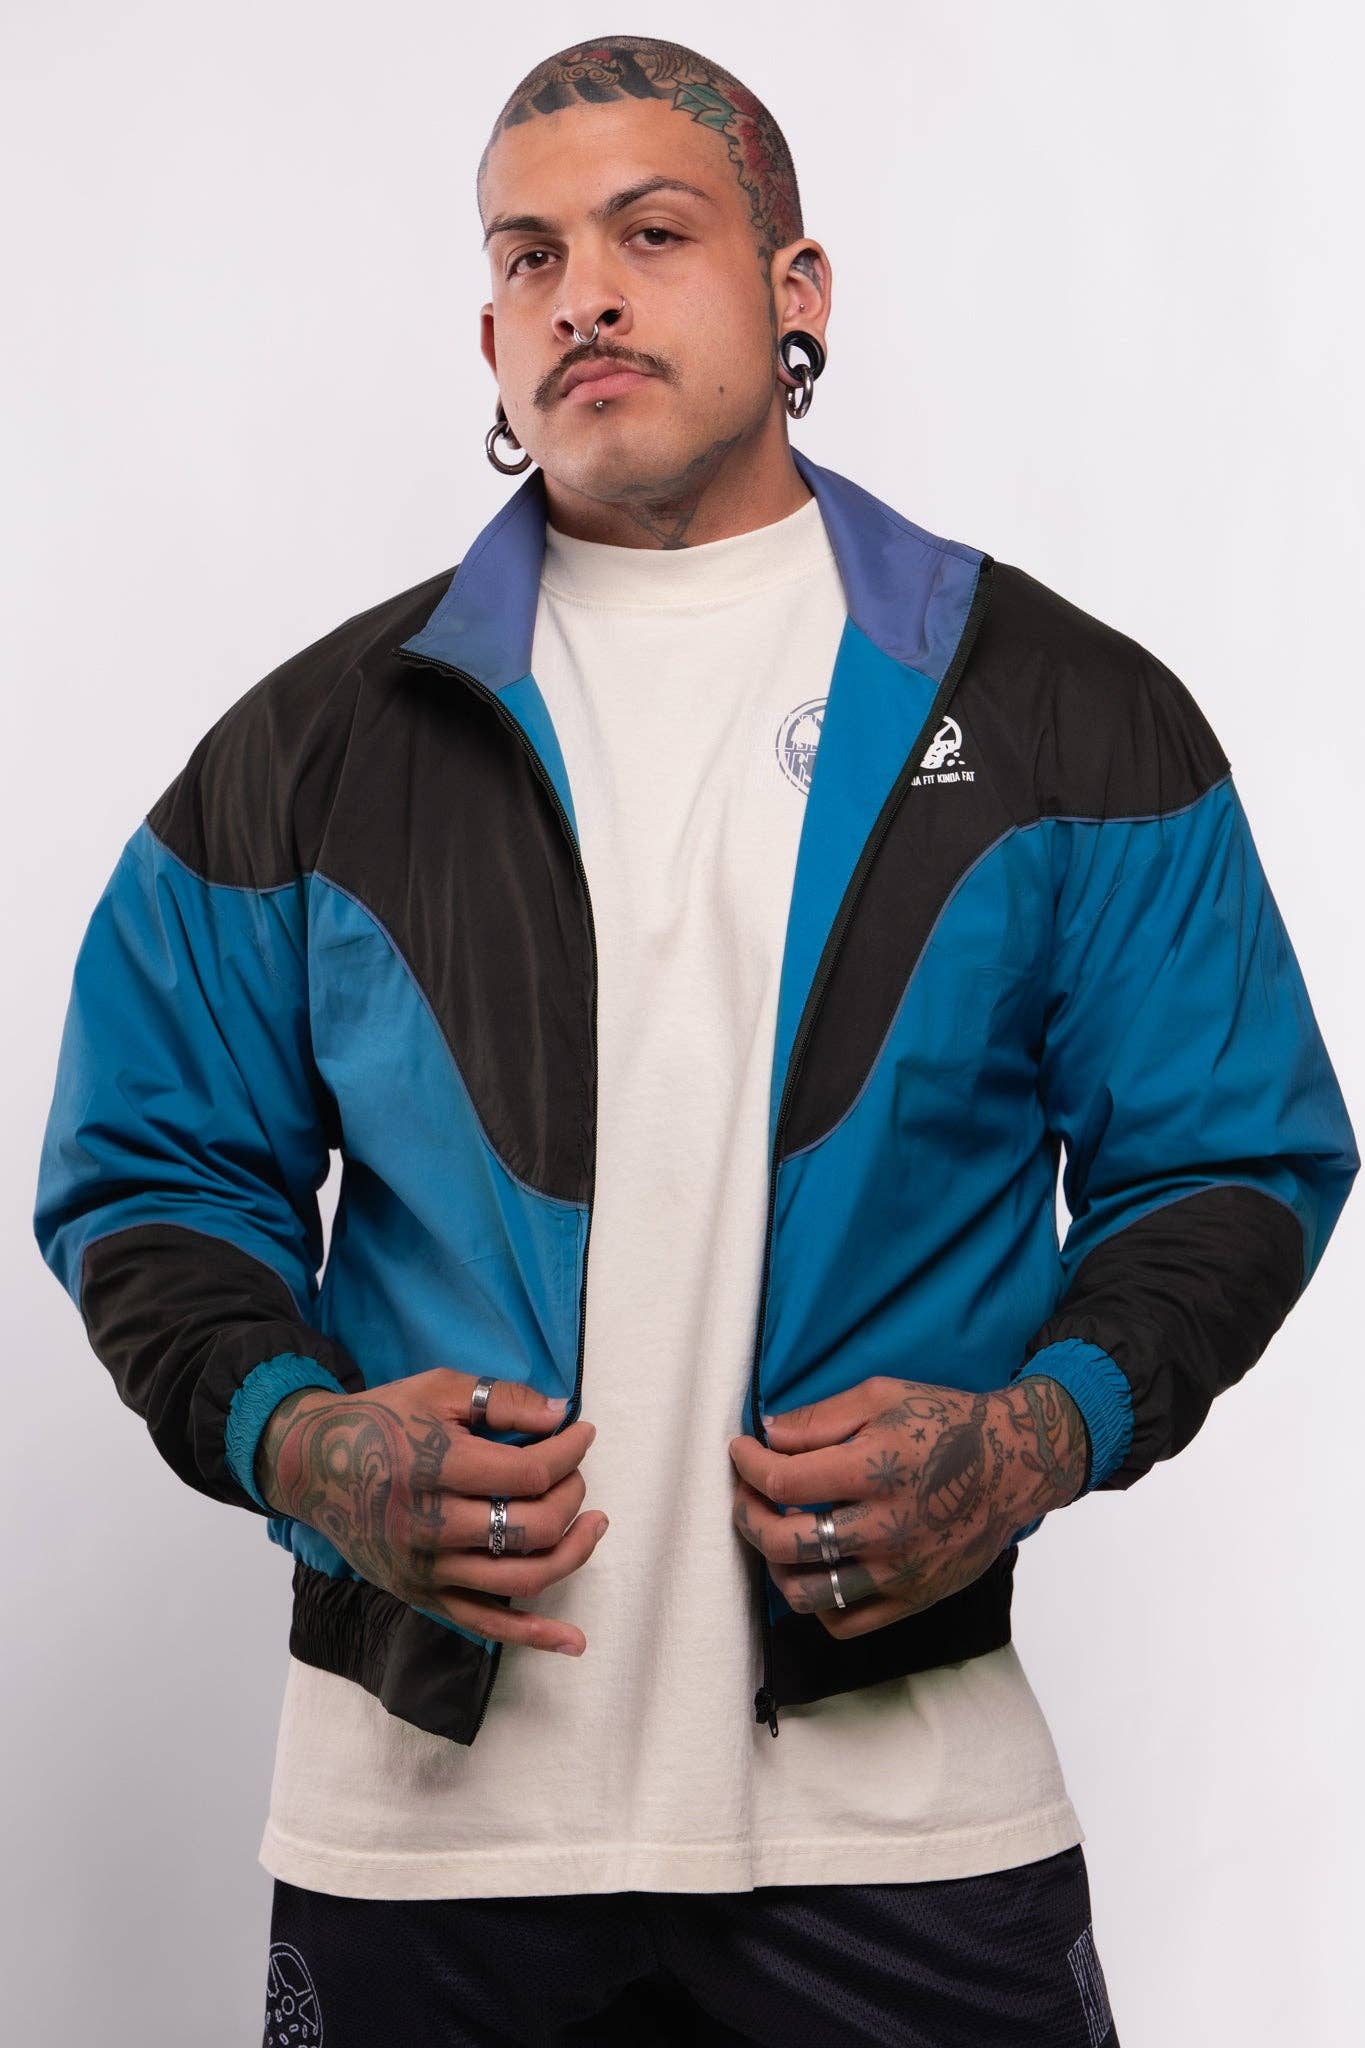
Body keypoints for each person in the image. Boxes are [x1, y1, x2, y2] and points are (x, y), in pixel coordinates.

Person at [33, 34, 1357, 2048]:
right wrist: (306, 1444)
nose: (581, 293)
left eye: (650, 234)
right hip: (423, 1832)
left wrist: (1030, 1437)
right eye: (528, 255)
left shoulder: (1060, 713)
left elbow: (1230, 1157)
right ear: (489, 334)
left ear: (794, 288)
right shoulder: (308, 751)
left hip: (904, 1812)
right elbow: (148, 1171)